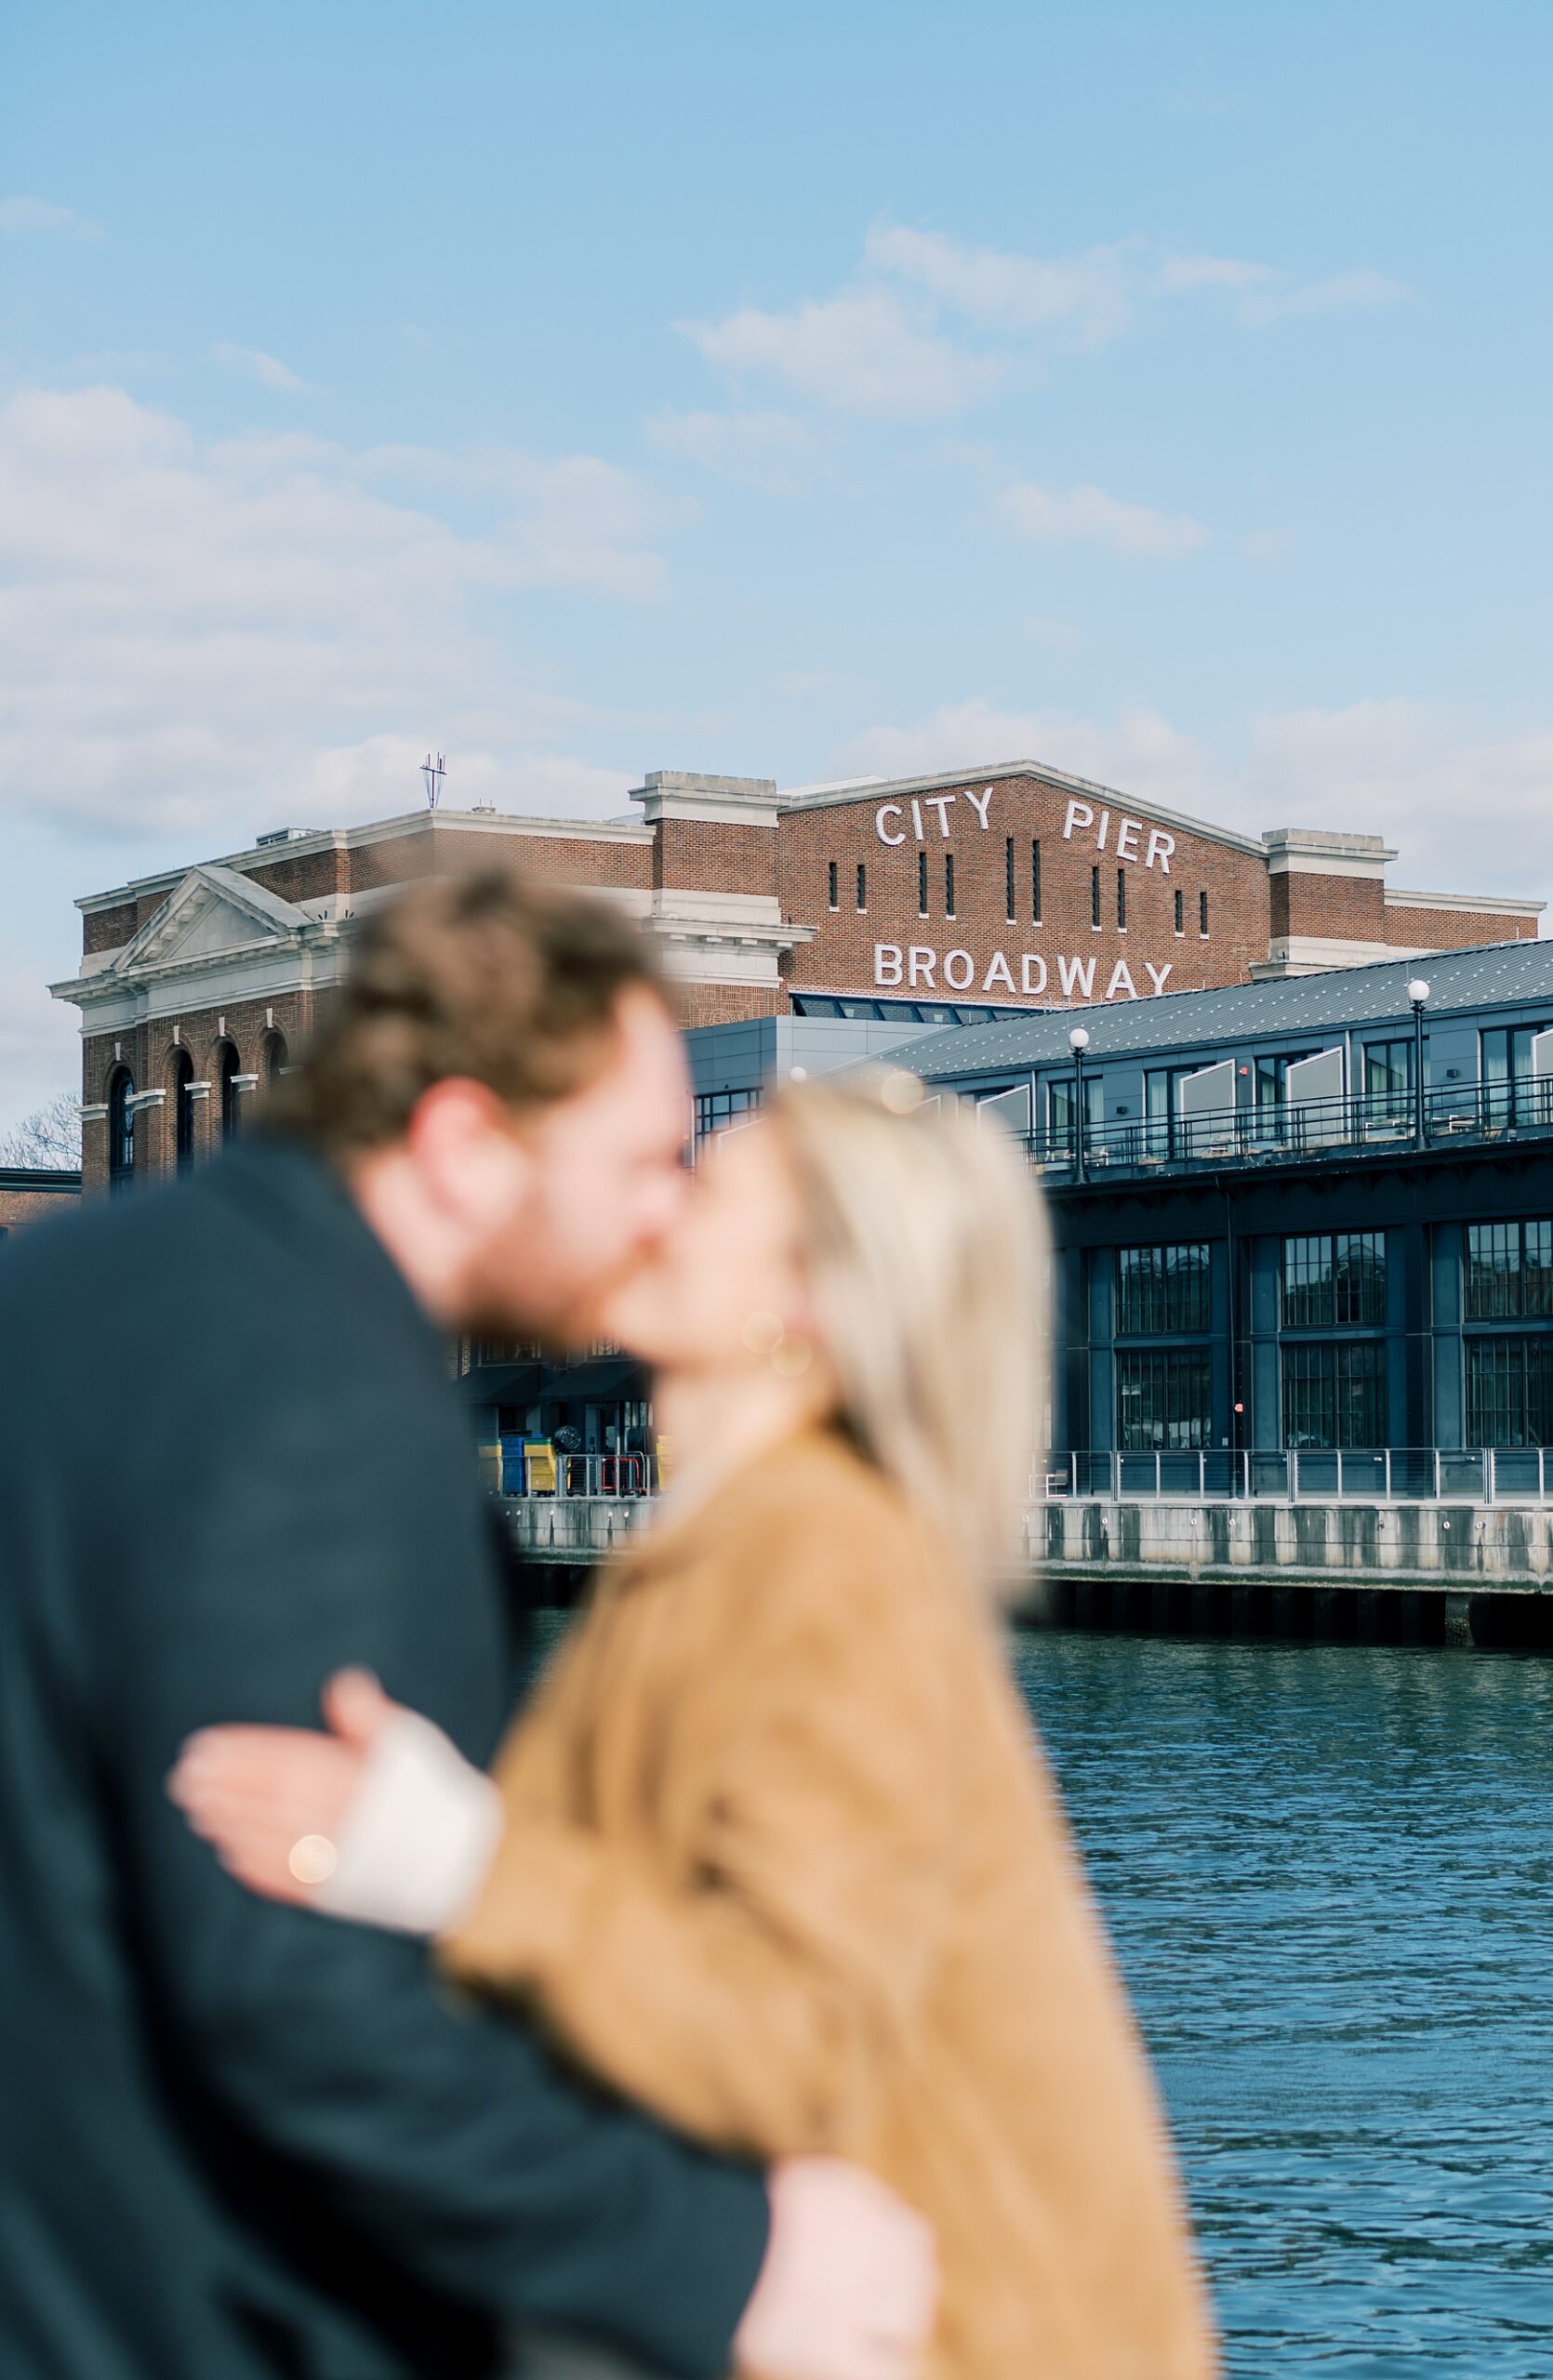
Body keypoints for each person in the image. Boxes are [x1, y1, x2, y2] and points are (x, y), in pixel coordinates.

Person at [0, 875, 934, 2380]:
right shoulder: (320, 1412)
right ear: (461, 1144)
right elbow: (301, 1991)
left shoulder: (50, 1295)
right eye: (638, 1160)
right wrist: (720, 2263)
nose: (666, 1207)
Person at [173, 1072, 1225, 2380]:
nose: (652, 1203)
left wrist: (454, 1858)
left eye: (704, 1184)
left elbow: (790, 2042)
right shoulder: (737, 1545)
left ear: (804, 1304)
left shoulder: (819, 1564)